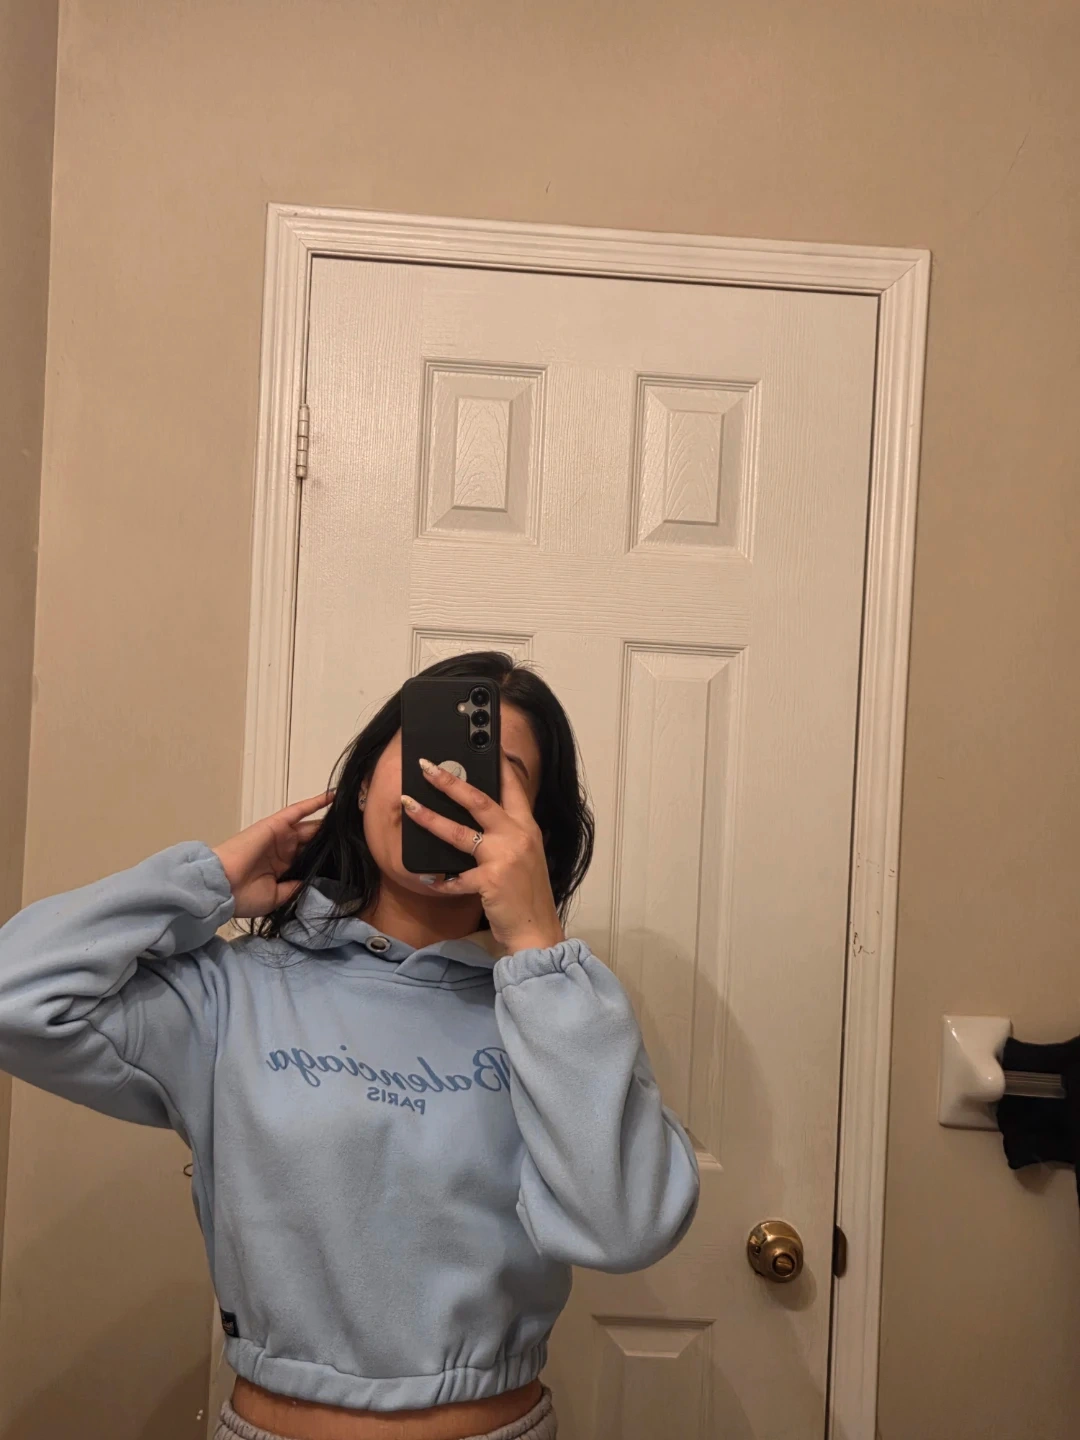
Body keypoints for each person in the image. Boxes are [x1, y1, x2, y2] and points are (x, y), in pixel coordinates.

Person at [0, 652, 698, 1440]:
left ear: (533, 830)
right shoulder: (236, 991)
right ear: (366, 782)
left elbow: (628, 1227)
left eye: (495, 777)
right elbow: (13, 998)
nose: (451, 785)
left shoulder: (556, 1014)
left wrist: (537, 945)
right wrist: (207, 884)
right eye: (429, 753)